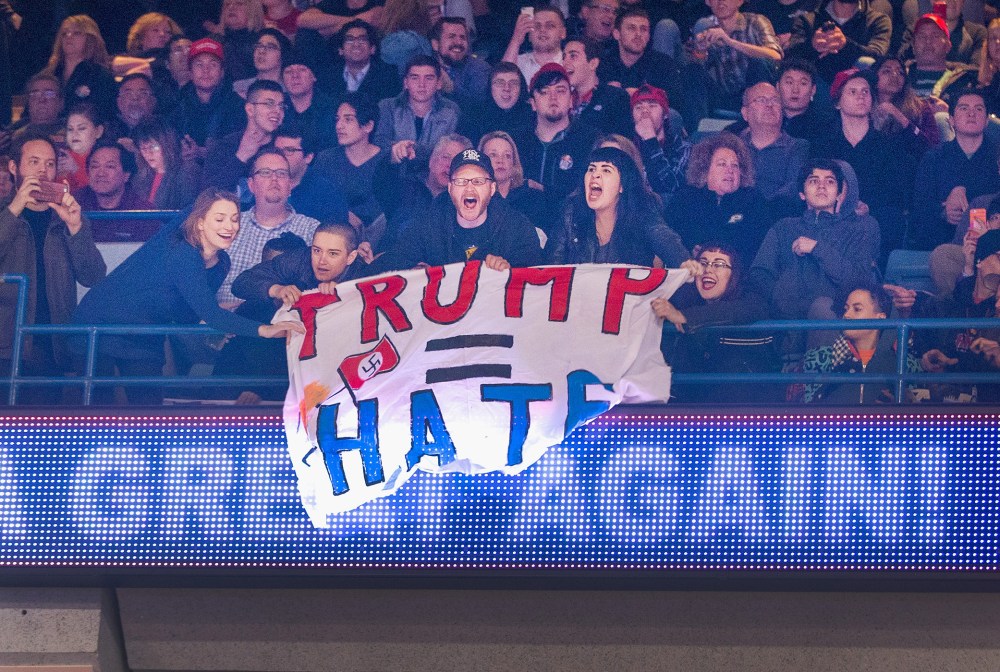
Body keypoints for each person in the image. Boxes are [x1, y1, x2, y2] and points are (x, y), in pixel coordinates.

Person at [71, 188, 303, 405]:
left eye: (234, 219)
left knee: (147, 410)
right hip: (100, 325)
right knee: (97, 409)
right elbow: (210, 315)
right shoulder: (183, 252)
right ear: (200, 223)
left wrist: (224, 315)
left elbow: (190, 314)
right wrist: (265, 329)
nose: (229, 226)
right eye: (220, 219)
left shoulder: (222, 263)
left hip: (144, 334)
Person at [2, 133, 106, 400]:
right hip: (6, 344)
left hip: (53, 342)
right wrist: (14, 210)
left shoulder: (66, 215)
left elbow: (93, 276)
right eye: (34, 162)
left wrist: (76, 227)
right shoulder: (5, 213)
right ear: (14, 167)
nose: (42, 170)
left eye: (49, 164)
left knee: (44, 427)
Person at [223, 223, 371, 404]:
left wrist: (341, 296)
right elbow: (242, 283)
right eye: (317, 250)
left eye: (333, 254)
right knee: (260, 316)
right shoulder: (300, 259)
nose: (321, 260)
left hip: (337, 372)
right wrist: (276, 289)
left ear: (351, 257)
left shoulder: (366, 275)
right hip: (285, 359)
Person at [749, 158, 881, 321]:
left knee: (823, 308)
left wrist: (817, 248)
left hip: (836, 320)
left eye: (830, 181)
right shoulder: (783, 228)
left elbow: (860, 281)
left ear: (840, 194)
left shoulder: (856, 231)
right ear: (802, 194)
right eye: (813, 181)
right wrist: (780, 301)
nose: (822, 186)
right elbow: (759, 273)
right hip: (785, 319)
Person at [374, 148, 544, 271]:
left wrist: (511, 273)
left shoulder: (517, 228)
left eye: (478, 181)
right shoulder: (428, 225)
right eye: (461, 181)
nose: (469, 189)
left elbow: (538, 286)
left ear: (492, 189)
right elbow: (386, 266)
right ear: (450, 189)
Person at [652, 243, 781, 403]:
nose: (708, 270)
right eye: (703, 263)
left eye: (719, 264)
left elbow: (740, 311)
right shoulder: (685, 300)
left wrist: (684, 317)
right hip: (689, 408)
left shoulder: (751, 300)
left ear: (734, 274)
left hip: (744, 408)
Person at [811, 68, 919, 258]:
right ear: (837, 102)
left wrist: (869, 206)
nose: (861, 96)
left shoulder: (889, 144)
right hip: (832, 211)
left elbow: (896, 190)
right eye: (852, 92)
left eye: (865, 91)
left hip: (876, 214)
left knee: (890, 218)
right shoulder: (823, 144)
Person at [548, 146, 688, 266]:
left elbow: (665, 239)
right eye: (591, 169)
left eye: (606, 170)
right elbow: (551, 268)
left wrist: (684, 263)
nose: (595, 175)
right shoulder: (571, 214)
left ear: (622, 186)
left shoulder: (641, 214)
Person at [217, 148, 321, 308]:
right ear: (251, 185)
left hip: (285, 324)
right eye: (265, 172)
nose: (274, 178)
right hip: (224, 324)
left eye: (281, 173)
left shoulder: (313, 230)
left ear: (290, 184)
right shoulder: (227, 225)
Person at [796, 285, 922, 403]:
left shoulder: (905, 363)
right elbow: (805, 410)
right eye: (846, 309)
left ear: (880, 317)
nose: (847, 315)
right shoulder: (819, 358)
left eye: (857, 309)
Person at [915, 228, 1000, 402]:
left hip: (988, 404)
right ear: (980, 261)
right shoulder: (944, 304)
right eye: (999, 257)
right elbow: (921, 349)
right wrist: (929, 357)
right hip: (941, 401)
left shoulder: (996, 310)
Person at [516, 63, 601, 231]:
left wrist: (543, 190)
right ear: (532, 103)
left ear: (571, 100)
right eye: (544, 92)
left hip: (574, 230)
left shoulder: (590, 140)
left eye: (560, 90)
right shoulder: (516, 141)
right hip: (520, 230)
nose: (553, 98)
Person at [911, 89, 1000, 251]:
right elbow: (920, 208)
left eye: (979, 109)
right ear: (951, 119)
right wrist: (944, 212)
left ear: (987, 120)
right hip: (944, 242)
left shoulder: (997, 157)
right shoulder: (933, 159)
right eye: (964, 108)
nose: (971, 114)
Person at [664, 132, 771, 264]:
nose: (730, 170)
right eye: (722, 164)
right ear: (705, 169)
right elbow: (670, 239)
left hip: (738, 274)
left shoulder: (754, 201)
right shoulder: (684, 199)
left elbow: (758, 246)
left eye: (735, 165)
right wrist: (689, 250)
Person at [690, 0, 783, 115]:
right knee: (693, 71)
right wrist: (700, 50)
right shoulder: (707, 29)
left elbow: (775, 55)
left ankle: (757, 115)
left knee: (759, 63)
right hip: (724, 95)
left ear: (739, 2)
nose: (720, 2)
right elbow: (699, 72)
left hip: (754, 89)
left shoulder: (756, 22)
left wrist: (730, 42)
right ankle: (698, 129)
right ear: (708, 2)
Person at [313, 94, 390, 231]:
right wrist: (343, 214)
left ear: (368, 126)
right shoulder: (325, 159)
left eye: (348, 120)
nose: (339, 126)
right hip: (332, 232)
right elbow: (317, 199)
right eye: (337, 119)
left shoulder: (386, 160)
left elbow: (387, 206)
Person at [373, 54, 461, 168]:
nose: (421, 84)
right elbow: (378, 143)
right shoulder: (387, 107)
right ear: (405, 83)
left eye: (429, 78)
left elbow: (453, 149)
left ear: (439, 83)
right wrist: (396, 149)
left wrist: (413, 150)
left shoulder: (451, 111)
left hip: (434, 176)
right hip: (393, 174)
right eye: (415, 77)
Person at [201, 79, 287, 191]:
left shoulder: (285, 145)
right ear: (250, 110)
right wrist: (241, 156)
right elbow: (208, 196)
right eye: (269, 104)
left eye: (281, 106)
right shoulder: (224, 146)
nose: (277, 111)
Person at [171, 38, 246, 164]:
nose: (206, 70)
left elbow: (242, 151)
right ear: (190, 72)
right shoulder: (178, 109)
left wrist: (205, 153)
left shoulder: (239, 107)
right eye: (199, 64)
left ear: (222, 72)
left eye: (213, 64)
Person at [739, 81, 809, 208]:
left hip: (776, 216)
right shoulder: (732, 147)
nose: (769, 105)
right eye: (761, 100)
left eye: (775, 101)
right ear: (745, 113)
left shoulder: (797, 147)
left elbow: (792, 191)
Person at [787, 0, 891, 84]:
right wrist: (812, 46)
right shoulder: (807, 20)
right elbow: (790, 58)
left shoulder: (878, 21)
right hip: (814, 93)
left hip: (860, 94)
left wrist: (845, 45)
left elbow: (877, 57)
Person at [271, 122, 349, 224]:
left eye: (289, 150)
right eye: (277, 150)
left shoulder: (327, 195)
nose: (280, 156)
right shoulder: (263, 183)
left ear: (308, 157)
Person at [43, 15, 117, 120]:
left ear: (90, 38)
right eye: (64, 33)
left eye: (76, 33)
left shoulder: (100, 75)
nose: (69, 36)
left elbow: (105, 114)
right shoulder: (48, 74)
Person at [630, 84, 691, 205]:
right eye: (638, 107)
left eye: (652, 106)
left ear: (665, 115)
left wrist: (651, 141)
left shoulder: (682, 148)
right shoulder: (627, 148)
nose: (645, 112)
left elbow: (670, 188)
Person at [563, 36, 633, 137]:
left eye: (573, 56)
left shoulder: (615, 97)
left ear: (593, 63)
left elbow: (622, 142)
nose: (565, 63)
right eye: (564, 57)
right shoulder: (562, 98)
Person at [478, 130, 546, 234]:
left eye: (507, 156)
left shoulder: (533, 200)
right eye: (493, 155)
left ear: (514, 164)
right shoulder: (472, 199)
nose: (500, 160)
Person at [871, 55, 942, 147]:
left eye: (900, 72)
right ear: (873, 77)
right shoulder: (864, 105)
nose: (895, 75)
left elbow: (932, 148)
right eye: (887, 71)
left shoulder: (920, 108)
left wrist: (901, 118)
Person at [457, 62, 534, 146]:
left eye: (513, 83)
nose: (507, 88)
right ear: (490, 87)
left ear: (521, 88)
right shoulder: (473, 114)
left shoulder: (533, 116)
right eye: (500, 83)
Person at [905, 12, 978, 100]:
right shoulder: (900, 78)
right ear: (913, 45)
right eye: (921, 36)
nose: (928, 41)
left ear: (948, 45)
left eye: (935, 36)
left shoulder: (964, 81)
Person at [327, 19, 401, 104]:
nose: (356, 44)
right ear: (340, 50)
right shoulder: (328, 76)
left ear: (372, 49)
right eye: (350, 39)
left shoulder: (389, 75)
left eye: (362, 39)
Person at [132, 116, 198, 210]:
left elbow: (187, 213)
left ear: (167, 145)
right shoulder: (140, 179)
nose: (148, 153)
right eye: (144, 148)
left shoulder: (187, 172)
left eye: (153, 147)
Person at [431, 17, 491, 110]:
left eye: (462, 38)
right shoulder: (425, 68)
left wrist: (451, 88)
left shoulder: (480, 68)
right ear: (435, 44)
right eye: (451, 36)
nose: (458, 42)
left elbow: (479, 108)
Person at [72, 142, 152, 212]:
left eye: (110, 166)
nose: (101, 173)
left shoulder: (142, 211)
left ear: (126, 175)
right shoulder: (74, 203)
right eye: (95, 166)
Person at [776, 58, 836, 146]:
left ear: (813, 90)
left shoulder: (826, 124)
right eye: (789, 82)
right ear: (777, 87)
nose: (795, 90)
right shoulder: (766, 117)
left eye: (803, 83)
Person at [503, 5, 566, 85]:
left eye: (550, 26)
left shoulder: (571, 63)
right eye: (537, 26)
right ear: (529, 35)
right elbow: (503, 81)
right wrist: (516, 39)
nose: (542, 30)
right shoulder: (516, 61)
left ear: (563, 33)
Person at [57, 103, 105, 191]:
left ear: (98, 131)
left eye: (81, 128)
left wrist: (75, 170)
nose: (74, 134)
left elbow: (100, 192)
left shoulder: (106, 159)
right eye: (70, 129)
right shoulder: (63, 157)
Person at [234, 28, 291, 99]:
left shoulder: (291, 90)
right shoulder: (239, 88)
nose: (261, 51)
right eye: (259, 46)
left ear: (282, 55)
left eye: (270, 47)